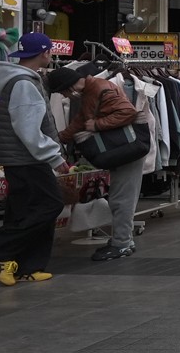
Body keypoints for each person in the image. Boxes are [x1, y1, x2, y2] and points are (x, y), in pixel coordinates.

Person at [0, 32, 70, 286]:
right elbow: (28, 130)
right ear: (44, 53)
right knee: (50, 205)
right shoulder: (24, 84)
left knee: (24, 208)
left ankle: (28, 266)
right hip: (26, 159)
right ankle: (2, 254)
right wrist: (55, 157)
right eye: (50, 52)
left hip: (23, 158)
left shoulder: (22, 80)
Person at [56, 64, 147, 261]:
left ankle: (122, 243)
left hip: (126, 151)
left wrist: (97, 125)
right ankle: (123, 240)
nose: (64, 96)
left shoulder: (99, 88)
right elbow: (81, 120)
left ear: (68, 87)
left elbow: (127, 112)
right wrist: (61, 137)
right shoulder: (92, 90)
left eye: (62, 91)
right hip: (122, 150)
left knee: (122, 199)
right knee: (119, 197)